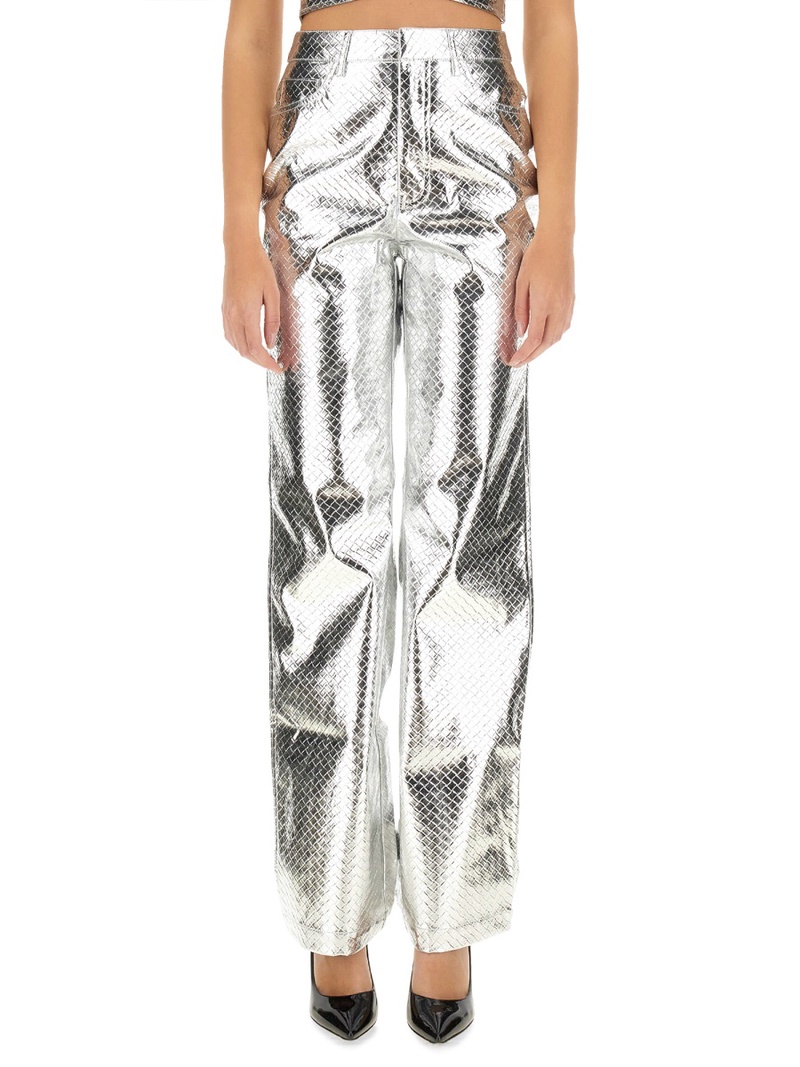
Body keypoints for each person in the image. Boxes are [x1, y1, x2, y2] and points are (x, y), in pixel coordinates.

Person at [221, 0, 577, 1042]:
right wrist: (237, 231)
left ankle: (449, 909)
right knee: (322, 550)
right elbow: (251, 27)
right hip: (321, 139)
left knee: (470, 551)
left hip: (475, 132)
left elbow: (552, 20)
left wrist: (559, 224)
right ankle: (330, 903)